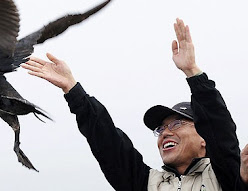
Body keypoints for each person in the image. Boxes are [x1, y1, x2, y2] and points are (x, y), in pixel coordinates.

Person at [22, 18, 248, 190]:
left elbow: (219, 129)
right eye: (160, 129)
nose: (164, 133)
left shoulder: (227, 175)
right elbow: (108, 143)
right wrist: (72, 90)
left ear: (203, 140)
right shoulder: (145, 183)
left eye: (177, 124)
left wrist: (193, 73)